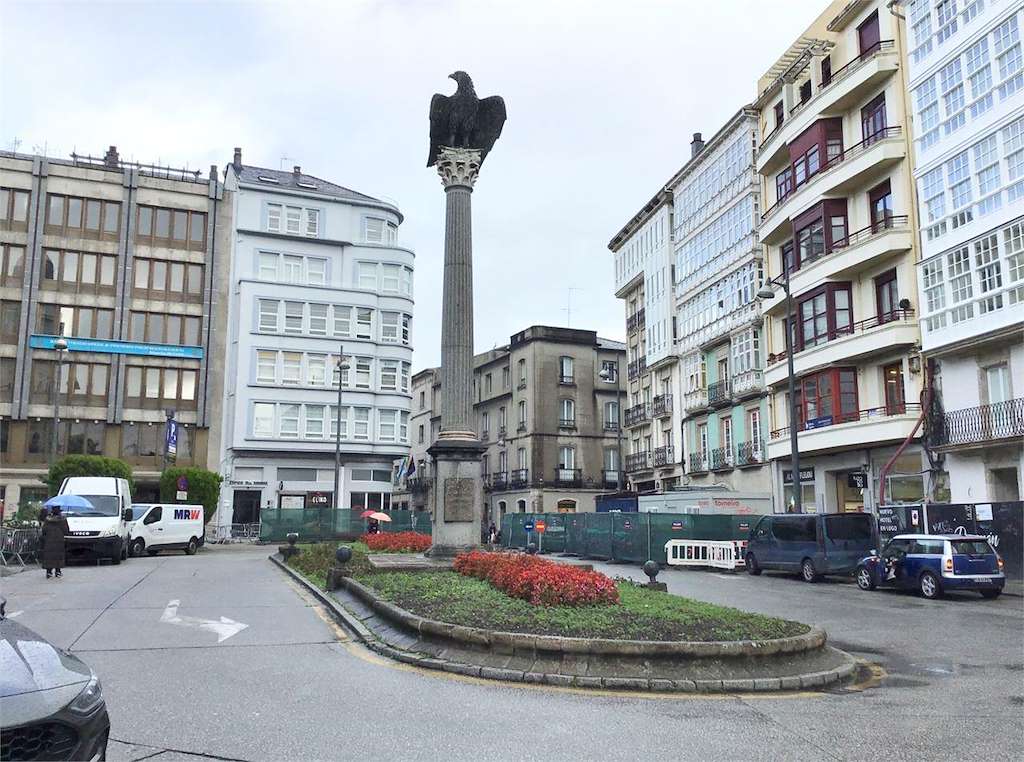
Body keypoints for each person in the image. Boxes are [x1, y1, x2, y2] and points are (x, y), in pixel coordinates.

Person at [41, 506, 70, 579]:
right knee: (58, 555)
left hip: (49, 540)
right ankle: (58, 571)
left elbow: (44, 530)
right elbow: (66, 531)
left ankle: (49, 572)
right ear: (59, 512)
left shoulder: (47, 520)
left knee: (49, 555)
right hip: (59, 540)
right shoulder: (63, 520)